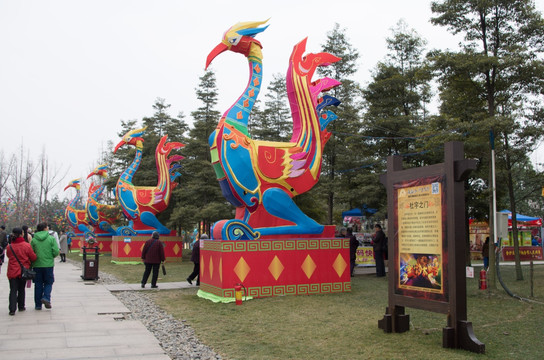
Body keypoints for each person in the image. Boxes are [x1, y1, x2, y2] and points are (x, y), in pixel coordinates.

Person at [6, 227, 37, 315]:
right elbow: (33, 257)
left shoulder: (10, 246)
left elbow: (8, 256)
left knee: (13, 290)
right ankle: (21, 306)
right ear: (21, 234)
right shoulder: (26, 245)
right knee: (21, 289)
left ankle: (12, 309)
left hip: (12, 271)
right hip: (23, 271)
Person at [31, 222, 60, 310]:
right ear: (44, 228)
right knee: (48, 282)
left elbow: (31, 253)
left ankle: (38, 305)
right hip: (48, 264)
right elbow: (55, 251)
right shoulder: (51, 239)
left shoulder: (33, 240)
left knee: (38, 284)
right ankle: (46, 297)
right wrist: (51, 256)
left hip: (37, 265)